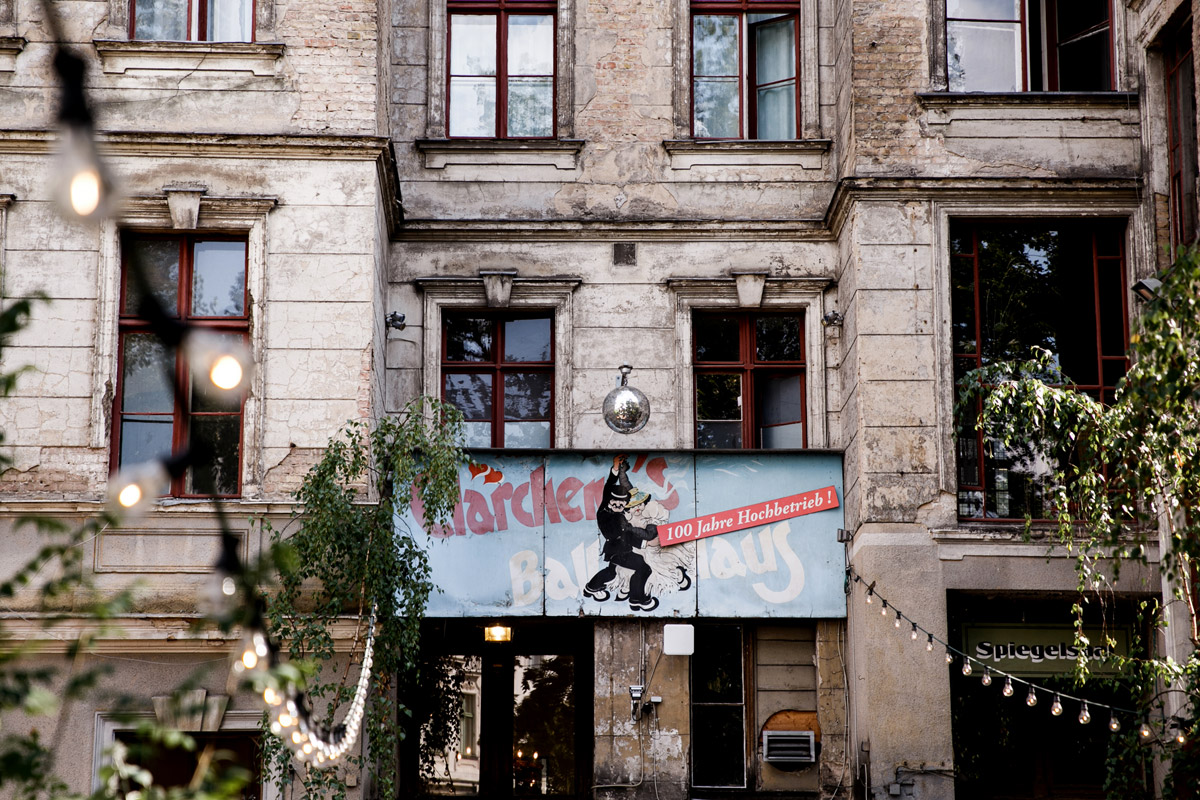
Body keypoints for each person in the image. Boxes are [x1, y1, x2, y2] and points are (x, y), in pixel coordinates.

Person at [583, 454, 660, 611]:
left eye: (622, 503)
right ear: (609, 502)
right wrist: (646, 542)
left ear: (625, 503)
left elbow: (621, 486)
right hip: (618, 550)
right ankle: (637, 598)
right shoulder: (604, 513)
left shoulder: (620, 514)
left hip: (618, 550)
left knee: (611, 572)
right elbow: (624, 535)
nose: (618, 505)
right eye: (614, 502)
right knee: (643, 568)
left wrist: (619, 470)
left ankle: (591, 588)